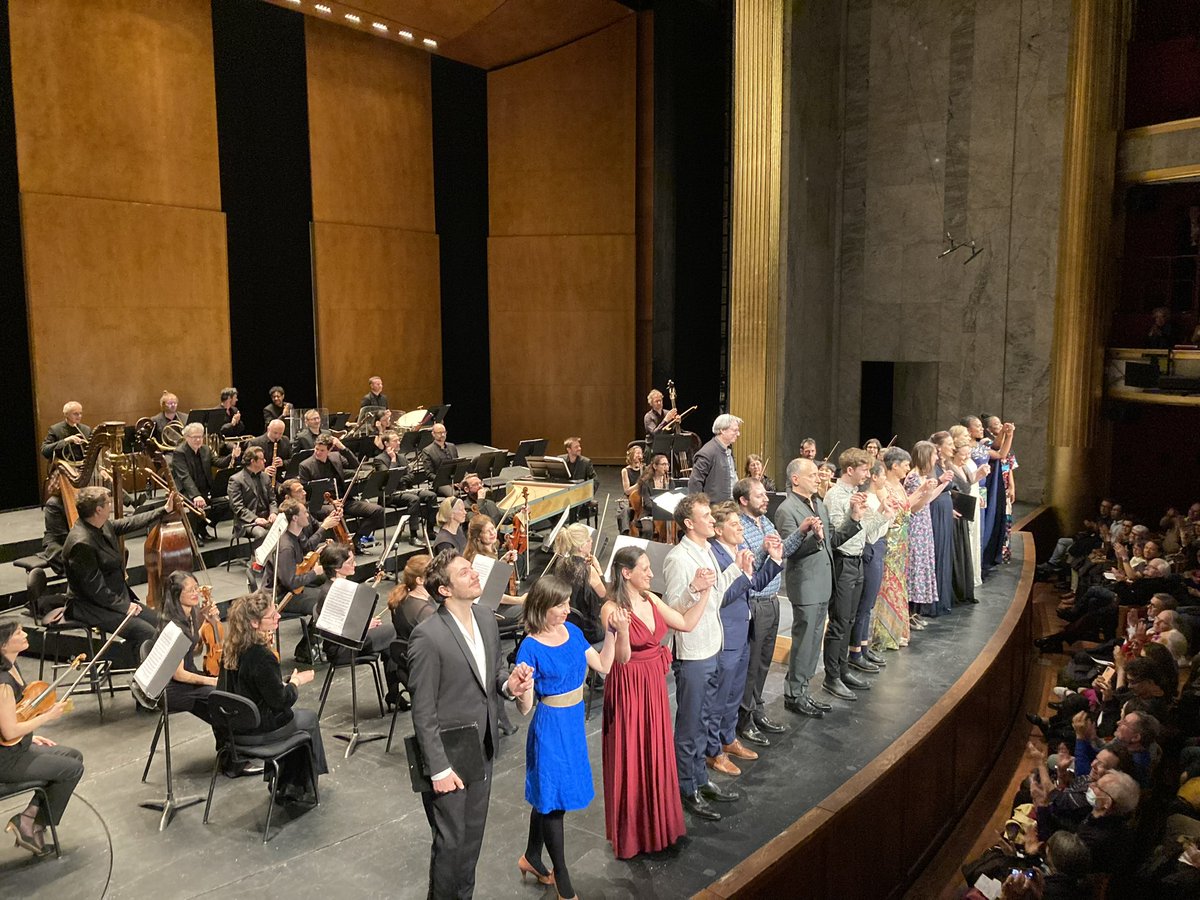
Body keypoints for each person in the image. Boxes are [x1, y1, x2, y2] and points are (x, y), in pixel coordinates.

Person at [407, 550, 534, 898]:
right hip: (448, 756)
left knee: (472, 840)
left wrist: (511, 685)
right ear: (445, 590)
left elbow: (492, 676)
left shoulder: (486, 619)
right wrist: (438, 769)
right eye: (464, 573)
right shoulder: (427, 636)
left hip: (483, 747)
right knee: (451, 844)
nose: (474, 574)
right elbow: (423, 711)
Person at [513, 576, 627, 896]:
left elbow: (604, 665)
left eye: (566, 603)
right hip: (550, 726)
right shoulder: (530, 646)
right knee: (553, 803)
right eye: (558, 605)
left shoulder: (574, 632)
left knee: (548, 795)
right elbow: (524, 708)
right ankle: (562, 876)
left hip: (573, 722)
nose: (566, 610)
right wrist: (521, 687)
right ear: (540, 607)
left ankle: (532, 856)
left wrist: (614, 634)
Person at [602, 546, 701, 856]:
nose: (651, 573)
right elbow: (621, 657)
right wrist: (621, 630)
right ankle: (633, 836)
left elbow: (684, 623)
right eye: (644, 568)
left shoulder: (650, 598)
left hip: (653, 684)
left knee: (655, 750)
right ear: (626, 573)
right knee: (632, 754)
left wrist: (703, 591)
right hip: (628, 684)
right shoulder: (611, 609)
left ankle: (662, 827)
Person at [663, 493, 748, 820]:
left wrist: (736, 571)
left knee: (705, 719)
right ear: (688, 523)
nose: (713, 521)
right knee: (690, 723)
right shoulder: (678, 558)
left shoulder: (706, 550)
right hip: (693, 652)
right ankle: (687, 787)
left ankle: (700, 778)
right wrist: (694, 588)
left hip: (713, 645)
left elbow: (716, 595)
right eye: (706, 517)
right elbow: (673, 609)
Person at [217, 592, 328, 803]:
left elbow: (250, 687)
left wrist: (280, 683)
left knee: (298, 717)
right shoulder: (262, 656)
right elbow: (281, 701)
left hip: (234, 729)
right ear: (254, 623)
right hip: (257, 730)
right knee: (308, 719)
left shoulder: (232, 647)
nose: (278, 617)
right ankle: (300, 786)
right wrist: (296, 682)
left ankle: (282, 782)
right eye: (271, 616)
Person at [776, 457, 863, 716]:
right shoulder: (786, 510)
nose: (819, 477)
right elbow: (790, 550)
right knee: (804, 642)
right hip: (805, 583)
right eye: (813, 474)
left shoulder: (818, 504)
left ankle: (802, 690)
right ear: (796, 479)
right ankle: (793, 694)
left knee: (814, 642)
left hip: (823, 582)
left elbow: (832, 540)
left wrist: (854, 518)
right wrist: (814, 538)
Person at [706, 501, 783, 774]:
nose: (741, 529)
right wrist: (741, 572)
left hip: (742, 632)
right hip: (726, 637)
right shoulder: (713, 555)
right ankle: (713, 751)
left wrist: (773, 561)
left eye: (740, 524)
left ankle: (728, 739)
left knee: (734, 693)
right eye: (735, 525)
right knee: (720, 695)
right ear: (718, 530)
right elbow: (720, 598)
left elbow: (750, 587)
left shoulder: (737, 550)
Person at [0, 621, 84, 858]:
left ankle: (27, 818)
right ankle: (32, 824)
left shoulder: (11, 665)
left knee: (73, 755)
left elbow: (14, 717)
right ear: (3, 643)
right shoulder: (2, 683)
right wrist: (46, 717)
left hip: (17, 747)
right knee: (72, 769)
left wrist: (31, 735)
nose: (25, 634)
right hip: (6, 759)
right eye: (18, 633)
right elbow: (8, 732)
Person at [734, 477, 803, 746]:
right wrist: (764, 552)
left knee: (764, 662)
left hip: (772, 600)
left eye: (765, 495)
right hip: (755, 602)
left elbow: (781, 551)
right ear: (744, 500)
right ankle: (743, 719)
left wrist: (803, 531)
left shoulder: (766, 522)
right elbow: (747, 570)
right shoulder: (739, 527)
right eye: (760, 495)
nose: (766, 499)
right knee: (751, 666)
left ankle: (757, 709)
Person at [62, 485, 172, 647]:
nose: (111, 506)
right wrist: (124, 606)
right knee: (148, 633)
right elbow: (95, 590)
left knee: (163, 625)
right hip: (90, 606)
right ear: (98, 510)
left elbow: (130, 522)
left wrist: (163, 510)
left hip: (113, 598)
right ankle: (145, 670)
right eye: (108, 503)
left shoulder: (101, 525)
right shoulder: (81, 543)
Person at [313, 544, 401, 706]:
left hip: (346, 641)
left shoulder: (333, 586)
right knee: (392, 632)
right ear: (338, 568)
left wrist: (365, 623)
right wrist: (365, 626)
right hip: (343, 647)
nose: (355, 564)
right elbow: (337, 629)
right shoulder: (333, 592)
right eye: (350, 561)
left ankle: (394, 693)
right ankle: (397, 690)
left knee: (390, 642)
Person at [823, 449, 879, 696]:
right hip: (843, 562)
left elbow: (867, 530)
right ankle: (832, 676)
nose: (867, 474)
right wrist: (854, 514)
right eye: (864, 469)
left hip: (857, 561)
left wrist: (886, 512)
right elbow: (835, 535)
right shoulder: (836, 496)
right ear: (850, 470)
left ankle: (843, 669)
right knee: (839, 621)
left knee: (851, 619)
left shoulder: (856, 494)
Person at [298, 434, 385, 553]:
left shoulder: (336, 457)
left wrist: (343, 448)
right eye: (316, 449)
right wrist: (331, 502)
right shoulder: (305, 465)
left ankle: (354, 543)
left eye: (322, 450)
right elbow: (306, 493)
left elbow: (356, 465)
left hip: (344, 500)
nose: (318, 452)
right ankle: (339, 550)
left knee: (378, 510)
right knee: (334, 512)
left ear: (329, 450)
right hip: (320, 505)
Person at [158, 571, 219, 728]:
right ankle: (229, 742)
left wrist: (208, 623)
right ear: (177, 594)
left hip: (188, 675)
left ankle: (228, 741)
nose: (196, 593)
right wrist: (211, 680)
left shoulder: (190, 614)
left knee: (221, 700)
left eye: (196, 588)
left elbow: (194, 649)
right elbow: (178, 674)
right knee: (220, 697)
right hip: (173, 688)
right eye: (191, 590)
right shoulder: (174, 626)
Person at [852, 461, 896, 667]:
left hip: (878, 548)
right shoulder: (868, 499)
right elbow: (871, 533)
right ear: (874, 477)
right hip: (871, 549)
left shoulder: (877, 497)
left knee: (869, 604)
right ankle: (855, 652)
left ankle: (863, 646)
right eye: (883, 476)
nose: (886, 480)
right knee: (864, 604)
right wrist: (884, 513)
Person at [904, 440, 953, 624]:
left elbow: (928, 499)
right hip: (916, 526)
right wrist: (928, 489)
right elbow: (914, 506)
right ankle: (908, 612)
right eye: (933, 455)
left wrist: (941, 484)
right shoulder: (914, 477)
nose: (936, 458)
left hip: (924, 525)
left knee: (922, 565)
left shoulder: (922, 477)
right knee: (914, 567)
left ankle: (915, 611)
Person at [873, 448, 916, 650]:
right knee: (887, 584)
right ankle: (884, 634)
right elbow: (892, 511)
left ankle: (898, 630)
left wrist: (926, 493)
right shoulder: (883, 487)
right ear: (895, 465)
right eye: (906, 464)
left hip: (902, 542)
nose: (908, 468)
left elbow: (909, 506)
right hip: (890, 540)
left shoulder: (900, 485)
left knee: (899, 583)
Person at [171, 422, 240, 540]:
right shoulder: (179, 453)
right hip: (187, 490)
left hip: (205, 488)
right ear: (187, 438)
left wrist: (232, 456)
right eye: (194, 437)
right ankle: (193, 534)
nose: (198, 440)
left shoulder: (205, 449)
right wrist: (196, 495)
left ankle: (203, 528)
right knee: (194, 505)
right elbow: (185, 477)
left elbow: (219, 463)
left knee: (225, 503)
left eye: (200, 436)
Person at [258, 499, 325, 618]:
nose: (308, 515)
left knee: (326, 594)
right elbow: (291, 583)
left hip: (287, 590)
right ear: (295, 518)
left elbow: (296, 566)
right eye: (304, 513)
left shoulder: (294, 535)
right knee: (324, 603)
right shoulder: (286, 547)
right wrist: (315, 572)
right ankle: (311, 636)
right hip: (280, 597)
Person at [548, 523, 607, 643]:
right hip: (587, 629)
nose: (592, 542)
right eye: (589, 540)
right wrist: (598, 569)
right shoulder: (588, 570)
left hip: (565, 621)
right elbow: (604, 595)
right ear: (581, 546)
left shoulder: (560, 563)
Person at [375, 429, 434, 544]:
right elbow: (388, 479)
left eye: (398, 440)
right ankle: (413, 535)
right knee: (414, 499)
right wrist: (392, 460)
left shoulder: (402, 457)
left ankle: (430, 530)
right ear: (386, 443)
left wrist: (400, 480)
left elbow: (411, 476)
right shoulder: (379, 460)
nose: (398, 443)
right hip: (389, 495)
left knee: (431, 496)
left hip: (405, 490)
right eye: (395, 441)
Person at [927, 432, 958, 616]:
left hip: (945, 511)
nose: (953, 447)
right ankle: (934, 601)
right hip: (936, 512)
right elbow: (930, 490)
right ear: (939, 448)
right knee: (938, 551)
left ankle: (944, 598)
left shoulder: (943, 464)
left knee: (945, 551)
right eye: (949, 444)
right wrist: (941, 480)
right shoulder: (933, 467)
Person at [228, 447, 279, 546]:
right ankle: (257, 560)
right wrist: (255, 519)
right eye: (262, 459)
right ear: (253, 461)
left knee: (284, 529)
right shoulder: (236, 480)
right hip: (247, 522)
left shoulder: (265, 476)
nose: (264, 461)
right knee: (262, 534)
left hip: (266, 518)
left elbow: (272, 500)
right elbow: (237, 507)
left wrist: (273, 513)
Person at [687, 414, 742, 503]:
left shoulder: (728, 449)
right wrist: (699, 507)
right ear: (722, 430)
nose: (738, 434)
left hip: (729, 507)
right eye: (735, 430)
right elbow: (695, 483)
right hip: (715, 510)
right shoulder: (707, 452)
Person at [420, 423, 459, 495]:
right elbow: (429, 473)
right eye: (439, 433)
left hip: (454, 479)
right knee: (453, 494)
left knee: (473, 485)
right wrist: (446, 481)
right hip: (439, 483)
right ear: (433, 434)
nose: (443, 435)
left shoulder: (452, 446)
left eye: (444, 432)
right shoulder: (427, 451)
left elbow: (457, 464)